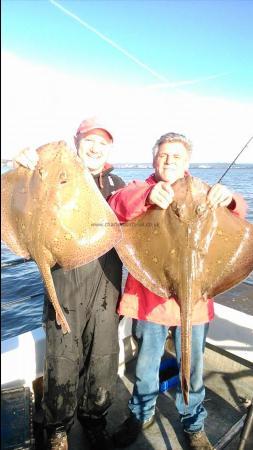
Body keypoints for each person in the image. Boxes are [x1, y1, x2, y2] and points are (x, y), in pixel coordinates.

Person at [108, 132, 247, 450]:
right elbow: (117, 207)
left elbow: (238, 213)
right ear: (153, 158)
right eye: (163, 155)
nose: (169, 160)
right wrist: (147, 197)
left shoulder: (203, 191)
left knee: (194, 366)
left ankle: (193, 424)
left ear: (188, 162)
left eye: (177, 156)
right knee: (146, 365)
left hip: (195, 299)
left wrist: (230, 199)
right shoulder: (139, 189)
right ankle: (141, 415)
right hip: (151, 300)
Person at [14, 117, 125, 450]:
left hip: (106, 284)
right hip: (63, 283)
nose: (95, 147)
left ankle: (95, 419)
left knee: (103, 357)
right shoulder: (43, 176)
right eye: (89, 139)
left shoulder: (117, 184)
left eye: (102, 142)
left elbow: (145, 206)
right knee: (61, 359)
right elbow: (16, 198)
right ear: (77, 141)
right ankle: (59, 426)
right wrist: (20, 168)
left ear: (109, 149)